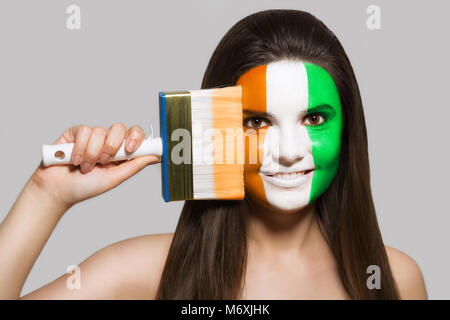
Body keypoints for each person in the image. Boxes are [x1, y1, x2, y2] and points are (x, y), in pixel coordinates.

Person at [0, 9, 427, 300]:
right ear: (214, 127)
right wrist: (47, 195)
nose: (290, 153)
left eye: (313, 120)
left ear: (349, 129)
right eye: (257, 121)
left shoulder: (395, 278)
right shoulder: (145, 269)